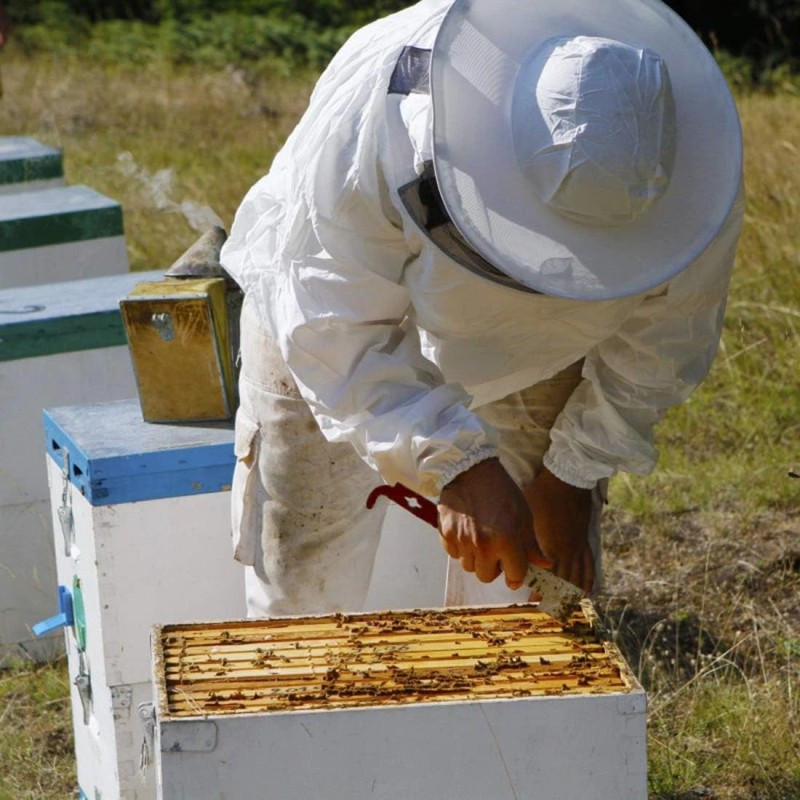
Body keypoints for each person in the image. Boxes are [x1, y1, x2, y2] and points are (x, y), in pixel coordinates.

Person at [221, 0, 744, 618]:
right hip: (324, 330)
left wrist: (573, 470)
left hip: (540, 357)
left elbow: (667, 333)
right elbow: (331, 320)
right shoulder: (376, 120)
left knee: (533, 603)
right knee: (301, 584)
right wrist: (460, 467)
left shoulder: (690, 169)